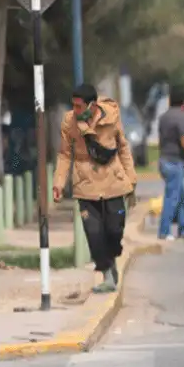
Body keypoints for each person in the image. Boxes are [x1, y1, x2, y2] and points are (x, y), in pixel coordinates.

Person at [53, 84, 137, 294]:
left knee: (114, 229)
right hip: (85, 184)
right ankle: (107, 274)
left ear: (92, 105)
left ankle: (112, 259)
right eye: (73, 105)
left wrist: (131, 178)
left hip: (113, 183)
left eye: (79, 106)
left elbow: (123, 147)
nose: (76, 110)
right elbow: (64, 154)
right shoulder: (69, 121)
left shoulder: (112, 116)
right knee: (93, 233)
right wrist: (59, 183)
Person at [156, 88, 184, 240]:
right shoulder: (182, 118)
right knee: (172, 198)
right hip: (175, 163)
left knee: (180, 197)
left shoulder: (163, 117)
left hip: (164, 161)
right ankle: (164, 231)